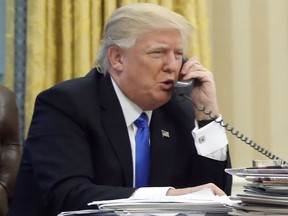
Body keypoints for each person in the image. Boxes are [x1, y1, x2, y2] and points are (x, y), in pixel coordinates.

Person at [8, 3, 232, 216]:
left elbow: (216, 198)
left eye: (177, 54)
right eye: (158, 53)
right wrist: (167, 197)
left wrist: (207, 115)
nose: (172, 66)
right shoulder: (66, 104)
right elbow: (69, 194)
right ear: (117, 58)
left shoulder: (178, 109)